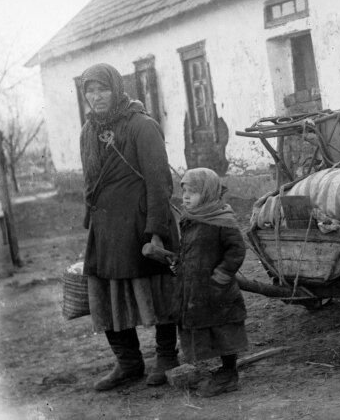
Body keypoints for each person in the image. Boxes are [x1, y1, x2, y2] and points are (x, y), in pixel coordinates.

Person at [79, 63, 180, 391]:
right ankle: (128, 362)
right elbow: (90, 179)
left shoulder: (141, 125)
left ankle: (166, 357)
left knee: (157, 288)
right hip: (106, 227)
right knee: (105, 292)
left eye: (102, 89)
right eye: (90, 91)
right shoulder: (88, 131)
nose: (97, 97)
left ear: (116, 89)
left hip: (141, 223)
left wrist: (156, 231)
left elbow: (159, 182)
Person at [176, 168, 248, 397]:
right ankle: (221, 371)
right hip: (197, 289)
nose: (186, 196)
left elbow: (236, 250)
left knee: (225, 330)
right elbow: (188, 249)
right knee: (208, 329)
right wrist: (179, 265)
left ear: (207, 193)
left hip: (218, 290)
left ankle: (229, 373)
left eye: (193, 192)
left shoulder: (222, 220)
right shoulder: (190, 219)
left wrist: (221, 277)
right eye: (184, 191)